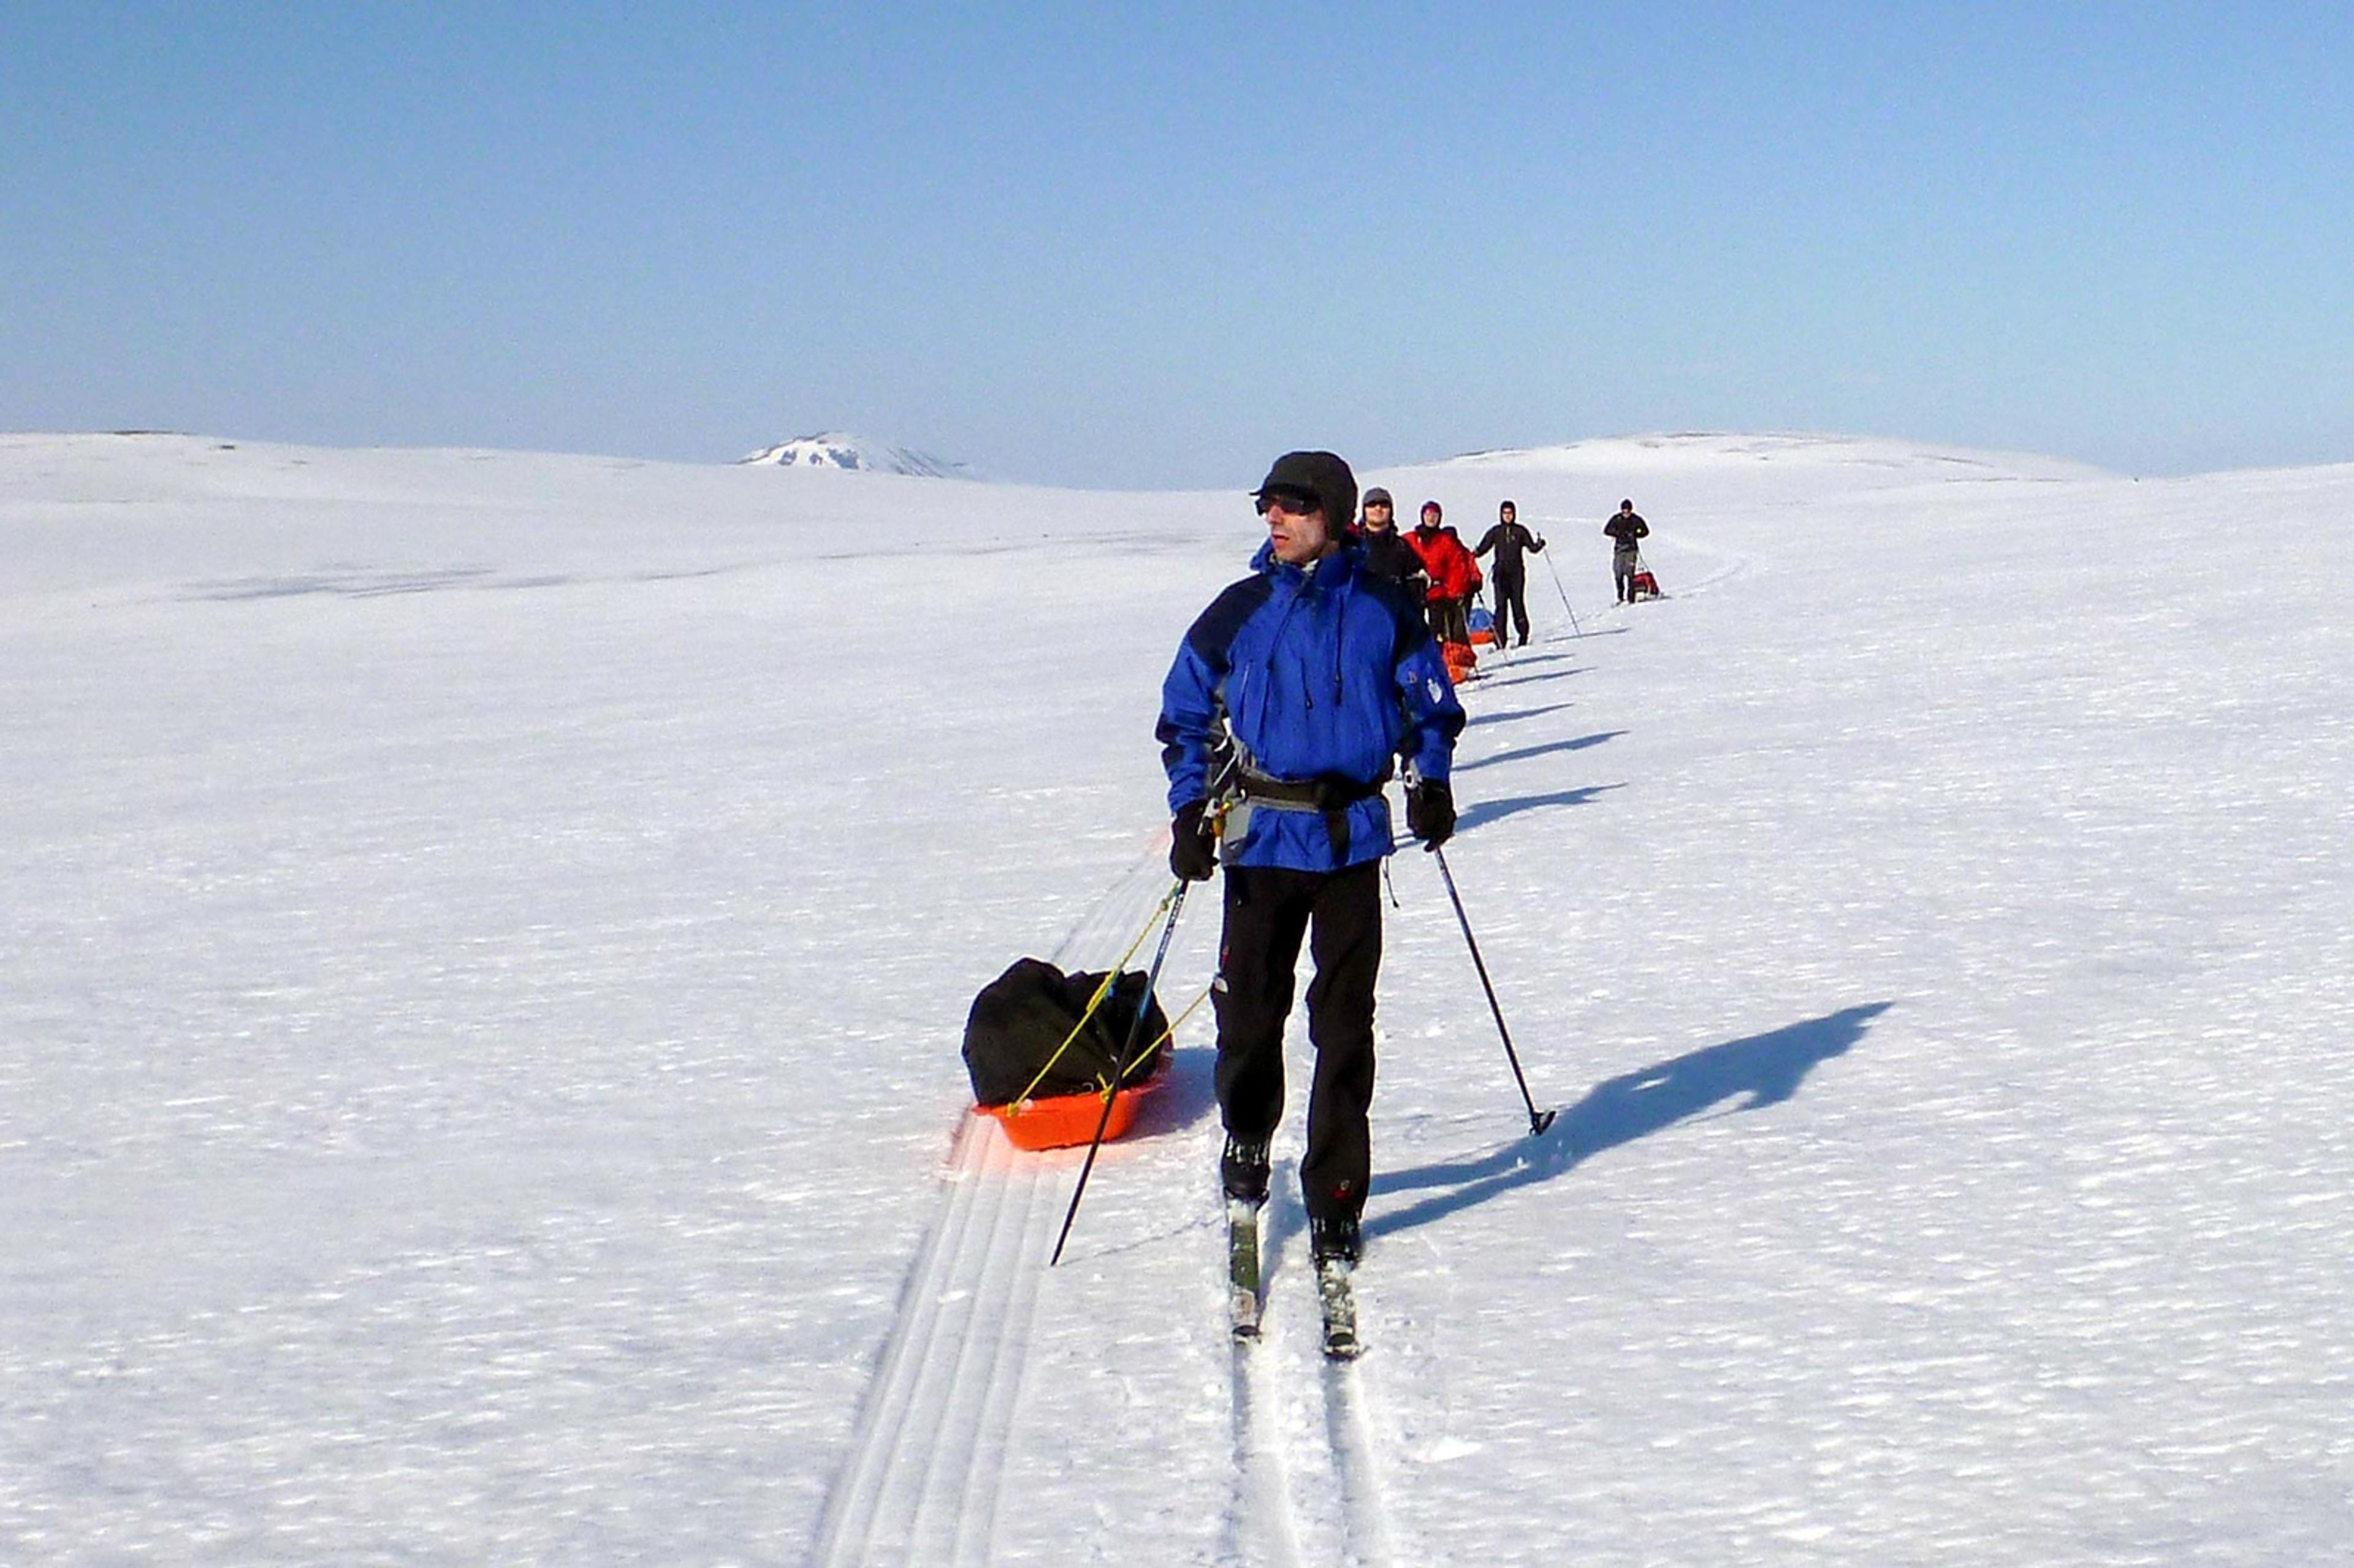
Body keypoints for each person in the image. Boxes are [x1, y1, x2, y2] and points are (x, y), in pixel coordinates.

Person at [1157, 451, 1466, 1266]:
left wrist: (1429, 780)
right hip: (1262, 841)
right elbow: (1185, 714)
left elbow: (1432, 703)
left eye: (1292, 506)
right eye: (1267, 504)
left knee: (1344, 1024)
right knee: (1252, 1016)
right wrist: (1191, 808)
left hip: (1351, 841)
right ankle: (1250, 1135)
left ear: (1329, 513)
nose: (1274, 519)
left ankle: (1335, 1189)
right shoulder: (1241, 608)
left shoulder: (1384, 609)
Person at [1406, 500, 1482, 647]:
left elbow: (1458, 567)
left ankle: (1442, 661)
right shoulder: (1412, 539)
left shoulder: (1447, 541)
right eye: (1428, 514)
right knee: (1414, 629)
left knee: (1439, 630)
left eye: (1435, 515)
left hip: (1439, 592)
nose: (1431, 518)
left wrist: (1456, 591)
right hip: (1415, 591)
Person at [1472, 499, 1547, 647]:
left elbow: (1532, 548)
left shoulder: (1520, 531)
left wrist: (1539, 545)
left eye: (1510, 513)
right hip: (1500, 575)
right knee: (1501, 608)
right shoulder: (1496, 531)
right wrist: (1471, 555)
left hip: (1517, 575)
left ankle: (1523, 635)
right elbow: (1483, 548)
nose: (1508, 516)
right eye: (1505, 513)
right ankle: (1501, 640)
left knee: (1517, 605)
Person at [1352, 486, 1425, 590]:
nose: (1378, 509)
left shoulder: (1403, 548)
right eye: (1372, 505)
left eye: (1384, 505)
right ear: (1364, 510)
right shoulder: (1352, 546)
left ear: (1391, 511)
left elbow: (1418, 581)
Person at [1604, 498, 1650, 604]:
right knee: (1618, 573)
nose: (1626, 513)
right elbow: (1607, 530)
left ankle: (1631, 597)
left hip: (1631, 550)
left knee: (1630, 573)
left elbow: (1645, 531)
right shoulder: (1617, 519)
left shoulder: (1636, 520)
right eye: (1624, 511)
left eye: (1628, 511)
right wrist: (1617, 533)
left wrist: (1635, 534)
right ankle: (1620, 597)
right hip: (1619, 550)